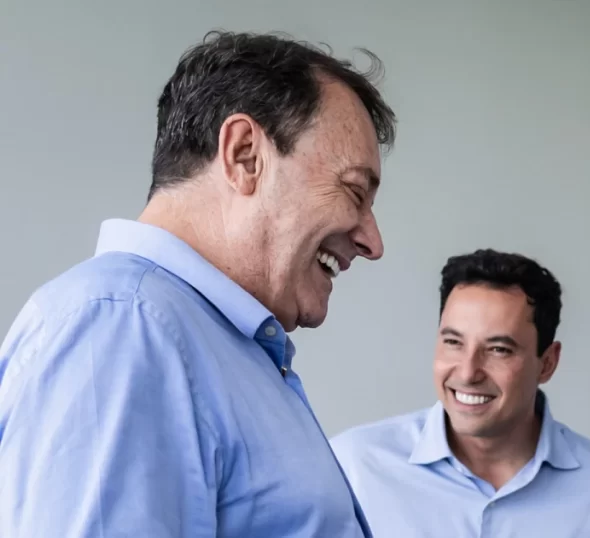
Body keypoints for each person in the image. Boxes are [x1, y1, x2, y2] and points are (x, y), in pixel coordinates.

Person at [0, 31, 397, 537]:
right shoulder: (124, 327)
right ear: (245, 155)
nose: (372, 242)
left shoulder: (181, 337)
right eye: (354, 191)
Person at [330, 248, 590, 537]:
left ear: (547, 363)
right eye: (453, 342)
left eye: (499, 349)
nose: (468, 372)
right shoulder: (353, 467)